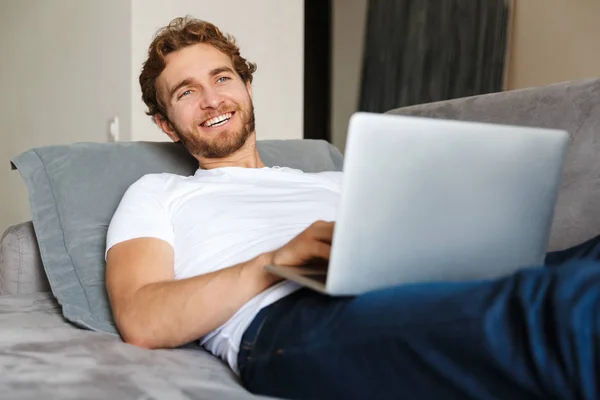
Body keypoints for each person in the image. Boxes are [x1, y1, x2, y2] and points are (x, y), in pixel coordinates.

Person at [105, 16, 600, 400]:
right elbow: (142, 318)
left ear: (247, 88)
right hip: (292, 319)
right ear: (167, 124)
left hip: (423, 282)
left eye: (223, 78)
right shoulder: (158, 192)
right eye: (187, 92)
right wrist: (274, 262)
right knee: (568, 305)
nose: (213, 100)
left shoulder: (340, 178)